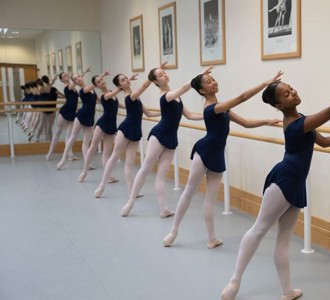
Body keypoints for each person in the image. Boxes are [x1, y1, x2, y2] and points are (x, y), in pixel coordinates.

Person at [221, 65, 330, 300]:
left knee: (283, 239)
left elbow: (324, 143)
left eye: (290, 88)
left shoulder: (301, 119)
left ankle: (287, 291)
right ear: (279, 105)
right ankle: (234, 282)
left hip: (297, 183)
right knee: (260, 228)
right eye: (286, 93)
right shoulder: (295, 125)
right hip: (283, 180)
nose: (292, 92)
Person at [162, 70, 282, 249]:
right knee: (189, 190)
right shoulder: (212, 108)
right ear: (202, 90)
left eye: (213, 79)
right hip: (204, 151)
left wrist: (266, 121)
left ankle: (211, 238)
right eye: (208, 82)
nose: (213, 82)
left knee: (210, 198)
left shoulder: (222, 107)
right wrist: (265, 83)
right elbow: (241, 97)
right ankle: (173, 231)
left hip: (217, 153)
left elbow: (245, 123)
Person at [120, 64, 210, 217]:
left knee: (161, 175)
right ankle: (130, 202)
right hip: (159, 135)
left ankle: (164, 209)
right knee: (146, 168)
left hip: (171, 138)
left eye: (164, 73)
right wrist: (198, 78)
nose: (164, 75)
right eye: (160, 75)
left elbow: (189, 116)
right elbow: (183, 88)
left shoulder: (176, 97)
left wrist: (208, 115)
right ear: (156, 82)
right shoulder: (166, 95)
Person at [93, 71, 161, 198]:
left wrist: (165, 113)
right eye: (123, 80)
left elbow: (149, 114)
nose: (127, 80)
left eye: (126, 78)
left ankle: (132, 192)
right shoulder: (130, 96)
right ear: (120, 86)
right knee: (114, 157)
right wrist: (152, 77)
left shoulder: (135, 97)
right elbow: (144, 87)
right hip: (125, 129)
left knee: (129, 163)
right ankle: (101, 186)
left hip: (135, 131)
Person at [78, 72, 124, 183]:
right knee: (93, 146)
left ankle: (107, 176)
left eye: (102, 80)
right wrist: (121, 86)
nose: (101, 82)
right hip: (102, 124)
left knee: (107, 153)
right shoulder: (104, 96)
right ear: (97, 86)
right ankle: (84, 171)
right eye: (98, 82)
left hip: (112, 125)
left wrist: (133, 107)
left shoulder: (112, 94)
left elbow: (119, 105)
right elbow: (113, 93)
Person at [56, 68, 98, 170]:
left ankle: (87, 163)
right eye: (75, 79)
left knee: (86, 142)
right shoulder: (83, 90)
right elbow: (95, 83)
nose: (78, 79)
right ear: (74, 82)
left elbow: (98, 100)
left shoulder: (90, 89)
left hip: (90, 117)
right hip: (81, 115)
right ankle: (63, 159)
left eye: (78, 76)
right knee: (73, 137)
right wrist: (103, 75)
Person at [46, 69, 90, 161]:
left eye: (67, 75)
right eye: (64, 76)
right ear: (62, 80)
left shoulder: (73, 87)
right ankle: (50, 153)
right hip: (64, 112)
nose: (66, 76)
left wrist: (83, 74)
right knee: (57, 132)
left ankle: (70, 155)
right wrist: (82, 74)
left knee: (69, 135)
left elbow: (77, 82)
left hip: (72, 113)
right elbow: (76, 81)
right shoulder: (67, 87)